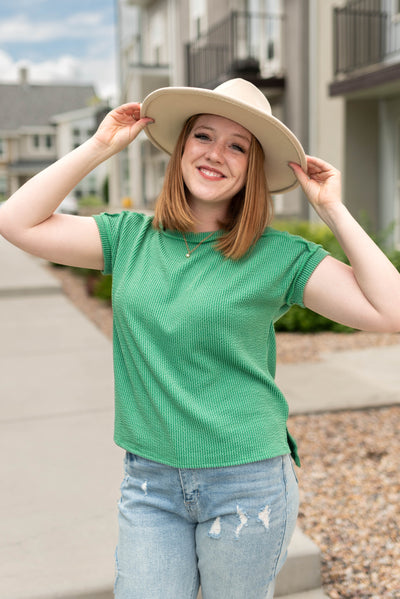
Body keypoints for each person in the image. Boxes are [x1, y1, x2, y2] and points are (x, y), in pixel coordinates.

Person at [1, 78, 400, 599]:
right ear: (182, 147)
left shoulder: (278, 256)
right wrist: (99, 147)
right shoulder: (128, 238)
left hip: (247, 484)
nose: (216, 154)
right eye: (203, 136)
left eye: (237, 146)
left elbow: (390, 310)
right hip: (151, 484)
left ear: (253, 168)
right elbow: (16, 221)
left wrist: (333, 210)